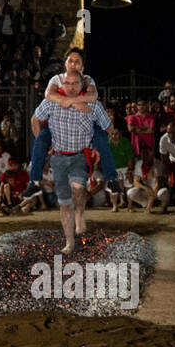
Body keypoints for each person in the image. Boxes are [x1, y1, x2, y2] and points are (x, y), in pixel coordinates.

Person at [31, 72, 111, 253]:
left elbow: (107, 125)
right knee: (65, 203)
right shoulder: (51, 102)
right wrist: (43, 143)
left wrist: (98, 145)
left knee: (78, 188)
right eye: (68, 83)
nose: (71, 86)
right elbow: (35, 119)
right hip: (58, 158)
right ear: (63, 85)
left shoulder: (92, 104)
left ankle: (80, 215)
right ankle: (69, 241)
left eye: (75, 83)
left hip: (80, 156)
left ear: (82, 85)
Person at [26, 48, 115, 195]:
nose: (73, 64)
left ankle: (112, 180)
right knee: (41, 139)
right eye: (70, 61)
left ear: (82, 67)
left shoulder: (87, 79)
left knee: (100, 136)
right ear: (65, 63)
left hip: (82, 130)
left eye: (77, 62)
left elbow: (92, 97)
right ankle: (34, 182)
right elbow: (48, 94)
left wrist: (69, 101)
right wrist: (76, 102)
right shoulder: (57, 79)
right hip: (58, 127)